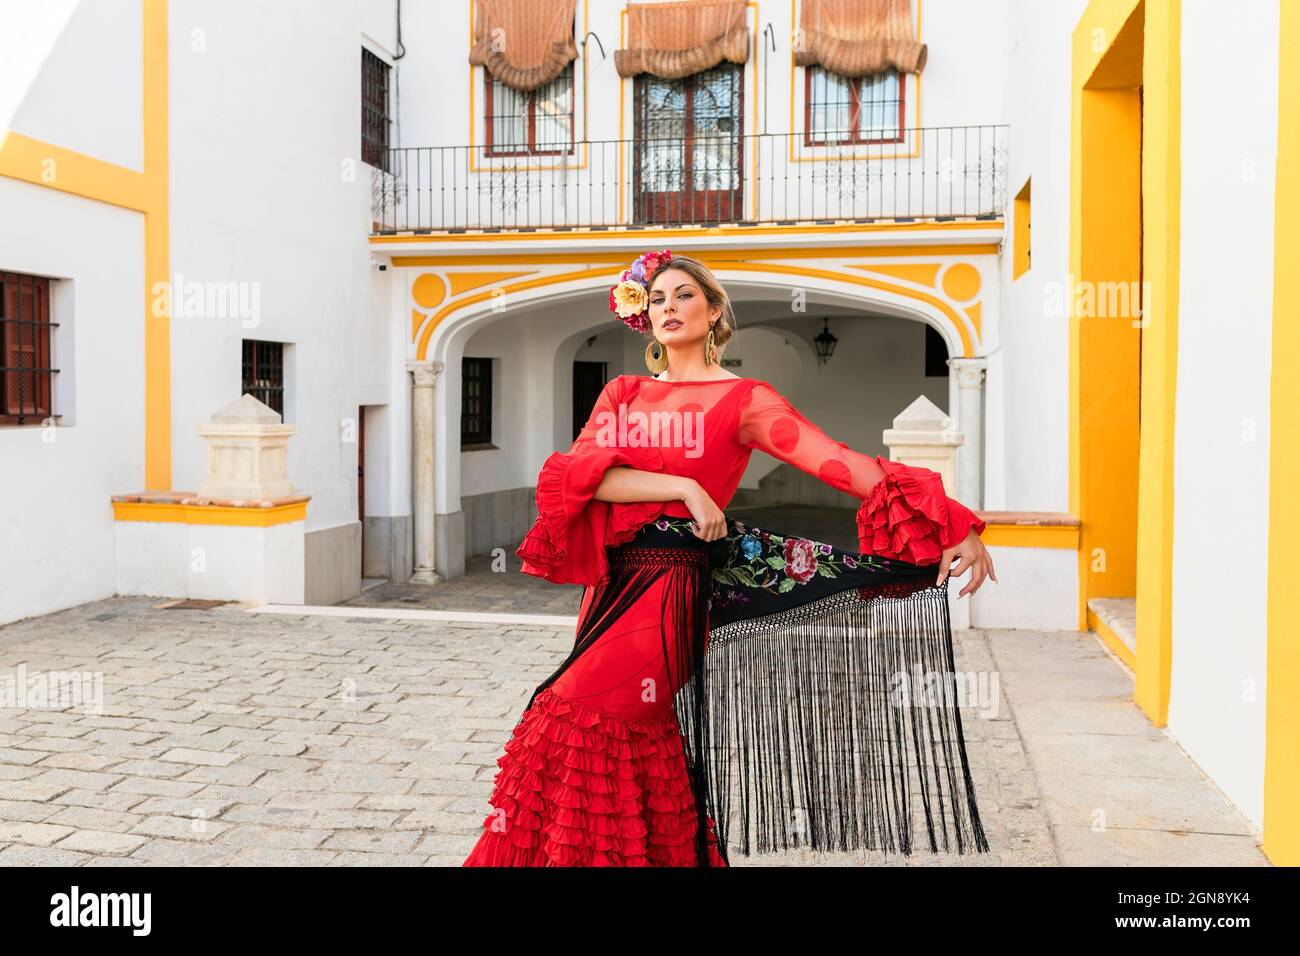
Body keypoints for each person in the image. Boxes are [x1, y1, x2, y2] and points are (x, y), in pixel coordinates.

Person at [462, 250, 997, 867]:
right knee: (624, 736)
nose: (668, 307)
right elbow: (584, 479)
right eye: (657, 298)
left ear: (714, 311)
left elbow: (837, 463)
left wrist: (952, 522)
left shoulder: (746, 400)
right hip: (610, 588)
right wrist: (683, 488)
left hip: (671, 587)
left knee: (579, 717)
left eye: (684, 295)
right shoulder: (623, 392)